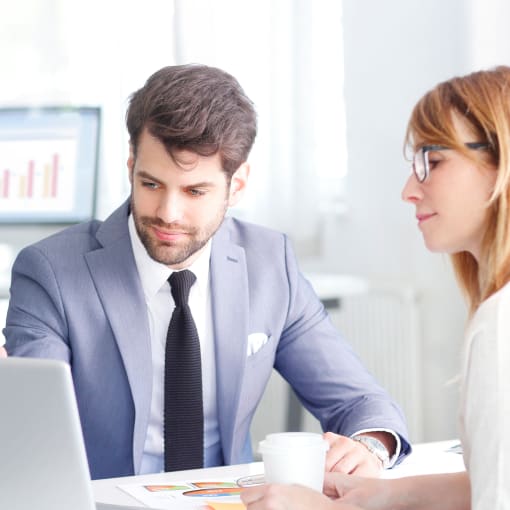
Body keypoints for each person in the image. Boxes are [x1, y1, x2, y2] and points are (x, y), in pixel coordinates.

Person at [3, 64, 410, 480]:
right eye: (151, 185)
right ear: (131, 167)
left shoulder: (270, 264)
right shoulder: (50, 272)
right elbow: (40, 435)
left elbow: (359, 402)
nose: (168, 213)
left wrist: (369, 445)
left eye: (195, 191)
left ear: (237, 186)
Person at [241, 65, 510, 510]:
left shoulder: (500, 326)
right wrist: (381, 496)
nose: (409, 190)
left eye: (433, 161)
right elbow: (492, 483)